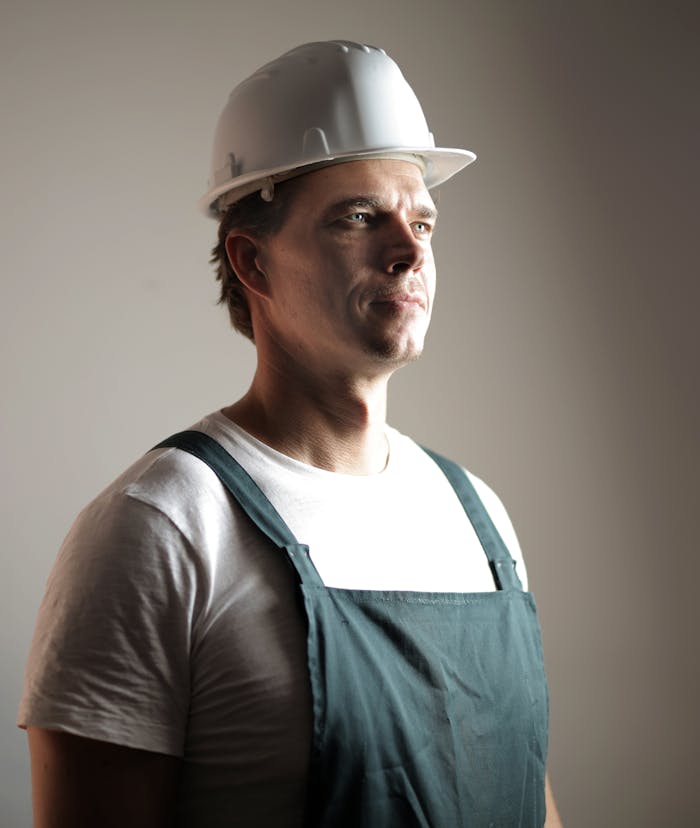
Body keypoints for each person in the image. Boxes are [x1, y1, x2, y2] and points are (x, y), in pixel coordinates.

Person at [18, 41, 562, 827]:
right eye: (359, 218)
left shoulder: (477, 514)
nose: (410, 251)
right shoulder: (162, 527)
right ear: (253, 262)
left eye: (423, 220)